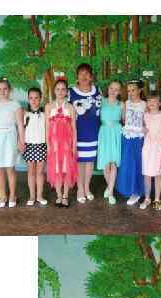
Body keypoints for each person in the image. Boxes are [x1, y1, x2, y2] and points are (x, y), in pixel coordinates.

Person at [0, 77, 24, 208]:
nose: (2, 91)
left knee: (10, 168)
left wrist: (21, 141)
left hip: (10, 138)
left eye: (5, 89)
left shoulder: (15, 105)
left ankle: (12, 195)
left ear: (10, 90)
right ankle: (3, 195)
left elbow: (20, 124)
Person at [69, 63, 101, 203]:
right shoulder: (71, 92)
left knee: (89, 162)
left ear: (91, 76)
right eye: (81, 73)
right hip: (78, 133)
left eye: (87, 74)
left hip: (93, 133)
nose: (84, 76)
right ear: (77, 77)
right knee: (80, 163)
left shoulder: (97, 91)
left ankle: (87, 188)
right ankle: (80, 189)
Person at [45, 78, 78, 207]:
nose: (60, 91)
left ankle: (65, 195)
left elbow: (74, 127)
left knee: (66, 169)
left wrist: (74, 145)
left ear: (66, 91)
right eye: (58, 89)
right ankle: (58, 195)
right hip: (54, 144)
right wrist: (48, 144)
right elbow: (47, 128)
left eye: (63, 89)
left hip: (66, 144)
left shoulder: (70, 107)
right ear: (54, 91)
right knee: (56, 170)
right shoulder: (49, 106)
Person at [115, 79, 146, 206]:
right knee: (127, 164)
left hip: (138, 138)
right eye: (128, 91)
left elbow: (146, 121)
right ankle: (128, 189)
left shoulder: (145, 104)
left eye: (133, 90)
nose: (130, 93)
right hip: (127, 137)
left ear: (140, 90)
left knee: (137, 164)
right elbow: (123, 119)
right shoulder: (125, 104)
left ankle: (137, 191)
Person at [97, 80, 123, 205]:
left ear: (119, 92)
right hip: (104, 133)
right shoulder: (101, 101)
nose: (113, 91)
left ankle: (110, 192)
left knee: (113, 163)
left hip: (116, 133)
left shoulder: (121, 104)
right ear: (108, 89)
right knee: (106, 164)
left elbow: (124, 120)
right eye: (112, 88)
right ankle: (110, 187)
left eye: (116, 89)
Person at [22, 87, 47, 206]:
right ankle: (32, 196)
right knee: (31, 172)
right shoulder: (24, 114)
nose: (34, 100)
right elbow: (21, 130)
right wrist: (21, 143)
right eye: (31, 98)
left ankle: (39, 195)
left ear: (40, 98)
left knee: (40, 172)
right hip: (29, 146)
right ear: (28, 99)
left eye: (36, 98)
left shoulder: (45, 115)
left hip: (42, 145)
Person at [140, 91, 161, 209]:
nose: (151, 102)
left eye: (154, 100)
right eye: (149, 100)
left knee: (158, 174)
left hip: (159, 147)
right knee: (147, 174)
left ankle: (157, 199)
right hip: (148, 147)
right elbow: (142, 128)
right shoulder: (145, 115)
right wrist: (143, 128)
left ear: (160, 103)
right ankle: (147, 198)